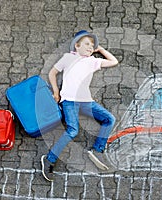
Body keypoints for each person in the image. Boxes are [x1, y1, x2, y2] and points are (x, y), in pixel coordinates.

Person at [41, 30, 118, 181]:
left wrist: (100, 50)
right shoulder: (68, 58)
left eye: (92, 45)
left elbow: (114, 62)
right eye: (87, 44)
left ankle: (97, 150)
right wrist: (56, 92)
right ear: (77, 45)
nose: (90, 47)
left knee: (109, 119)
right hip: (69, 101)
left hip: (86, 101)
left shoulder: (92, 61)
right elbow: (52, 73)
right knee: (72, 130)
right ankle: (49, 159)